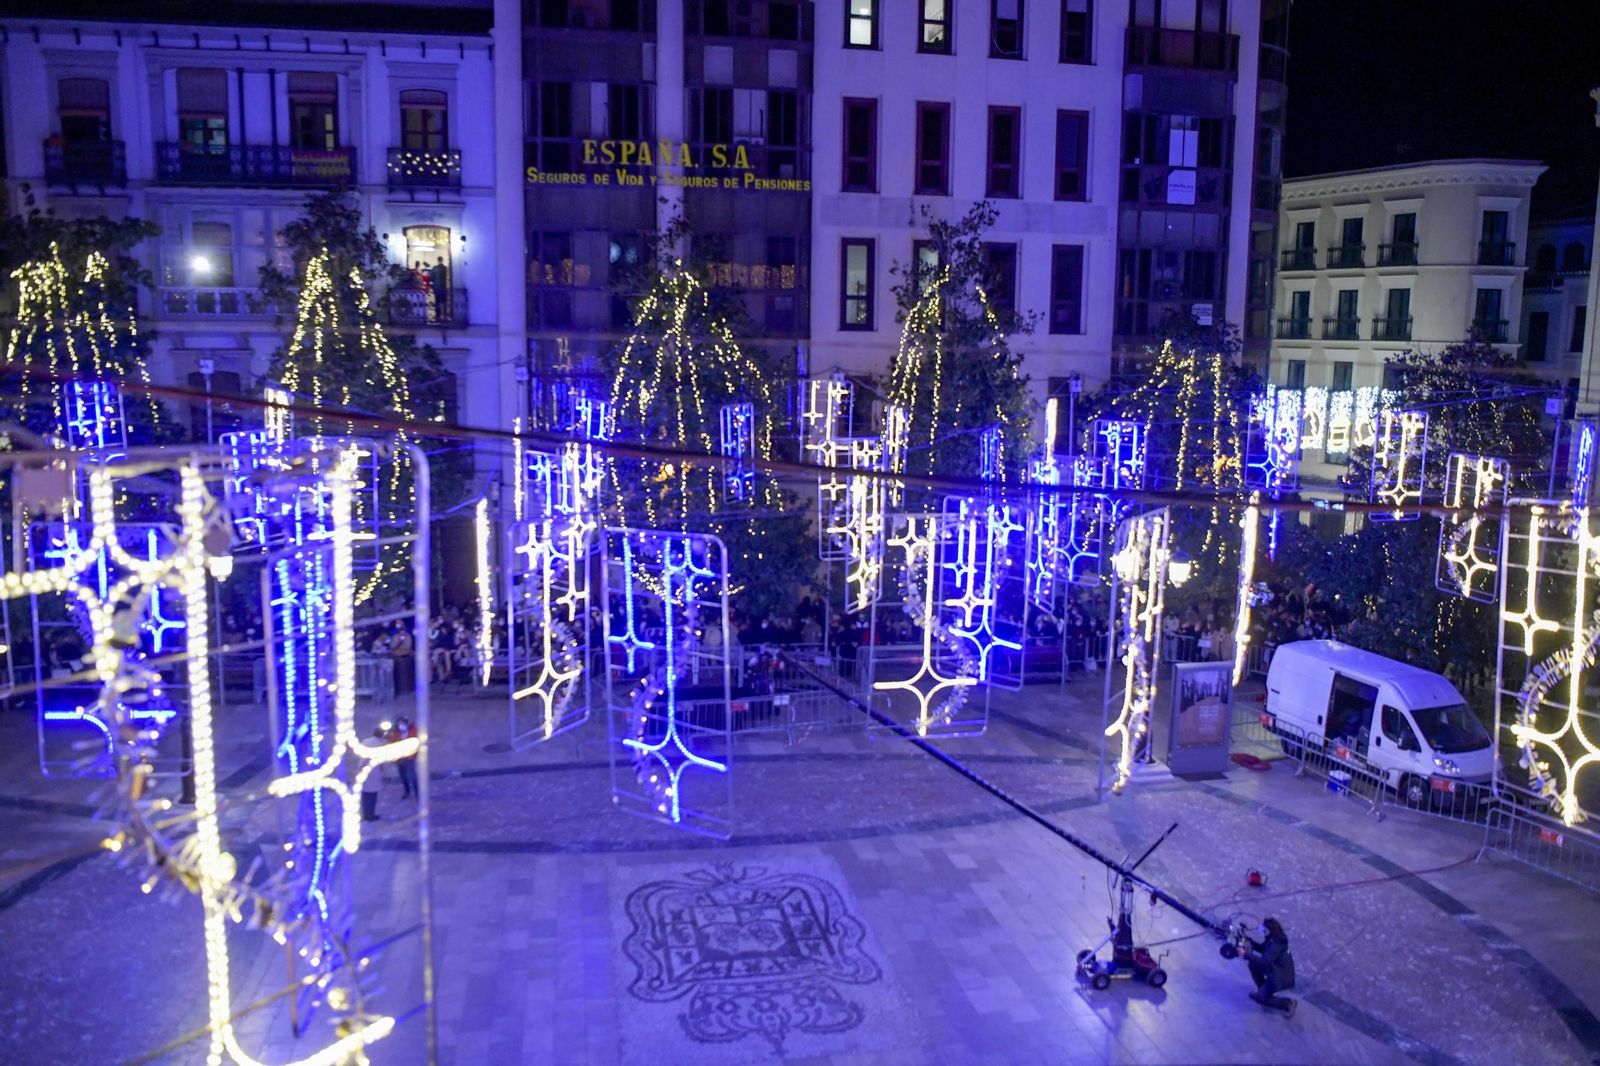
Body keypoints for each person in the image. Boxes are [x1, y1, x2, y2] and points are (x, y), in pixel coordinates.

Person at [1242, 917, 1297, 1016]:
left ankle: (1288, 1004)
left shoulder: (1275, 945)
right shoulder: (1274, 939)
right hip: (1277, 970)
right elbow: (1265, 950)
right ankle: (1263, 990)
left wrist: (1245, 955)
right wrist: (1251, 943)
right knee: (1253, 964)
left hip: (1281, 978)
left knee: (1261, 999)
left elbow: (1265, 961)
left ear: (1269, 930)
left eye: (1264, 929)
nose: (1261, 930)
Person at [393, 716, 420, 799]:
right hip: (400, 759)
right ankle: (407, 791)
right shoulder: (396, 733)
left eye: (403, 723)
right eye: (400, 724)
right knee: (403, 776)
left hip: (409, 758)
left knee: (412, 777)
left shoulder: (412, 732)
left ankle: (417, 793)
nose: (401, 725)